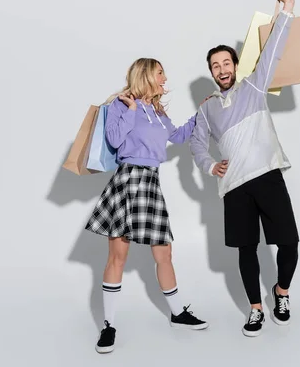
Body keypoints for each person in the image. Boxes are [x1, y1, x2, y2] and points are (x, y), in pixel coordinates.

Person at [189, 0, 300, 337]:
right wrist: (209, 166)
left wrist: (287, 10)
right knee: (246, 249)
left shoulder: (253, 87)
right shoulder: (206, 108)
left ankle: (281, 293)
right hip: (234, 186)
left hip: (267, 176)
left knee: (289, 242)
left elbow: (273, 52)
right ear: (211, 71)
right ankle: (255, 309)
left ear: (235, 65)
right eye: (215, 65)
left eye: (226, 62)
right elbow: (196, 144)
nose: (221, 69)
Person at [86, 57, 208, 354]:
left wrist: (201, 113)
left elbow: (177, 136)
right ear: (147, 75)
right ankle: (108, 325)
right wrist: (129, 110)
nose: (165, 78)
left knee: (164, 252)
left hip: (151, 183)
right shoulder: (122, 104)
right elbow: (114, 140)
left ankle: (178, 313)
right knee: (118, 255)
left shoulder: (157, 111)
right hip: (128, 180)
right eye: (160, 73)